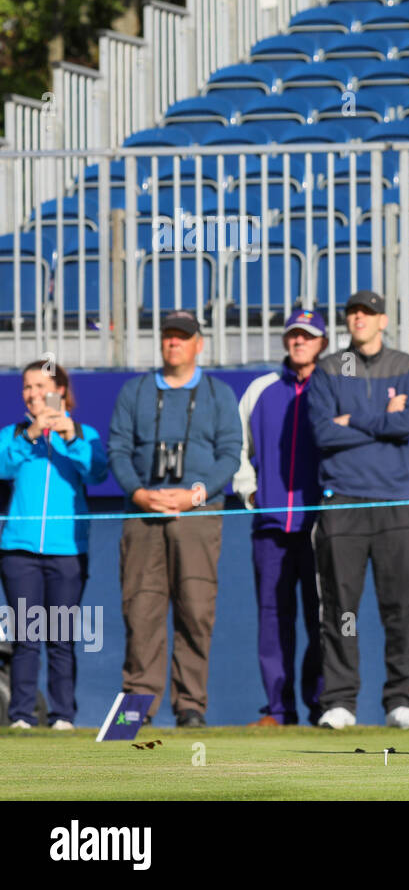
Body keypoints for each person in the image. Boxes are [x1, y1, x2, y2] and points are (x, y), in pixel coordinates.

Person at [108, 309, 243, 727]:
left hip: (197, 516)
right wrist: (139, 492)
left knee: (195, 609)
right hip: (143, 514)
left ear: (198, 344)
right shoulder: (136, 390)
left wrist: (195, 496)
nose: (173, 343)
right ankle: (135, 707)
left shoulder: (220, 394)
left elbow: (230, 454)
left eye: (182, 337)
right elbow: (118, 449)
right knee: (141, 609)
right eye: (168, 336)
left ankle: (190, 706)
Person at [308, 290, 409, 730]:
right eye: (353, 312)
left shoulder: (406, 366)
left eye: (368, 312)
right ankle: (339, 701)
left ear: (384, 320)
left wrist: (352, 419)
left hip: (396, 502)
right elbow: (323, 433)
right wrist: (381, 420)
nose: (359, 318)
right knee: (342, 608)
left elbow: (406, 426)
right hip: (342, 501)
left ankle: (401, 700)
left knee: (401, 608)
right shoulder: (328, 369)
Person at [232, 309, 328, 727]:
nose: (299, 342)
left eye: (307, 335)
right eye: (293, 335)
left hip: (321, 526)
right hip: (271, 527)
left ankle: (325, 704)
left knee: (323, 618)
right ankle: (279, 709)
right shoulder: (261, 389)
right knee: (273, 620)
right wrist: (248, 490)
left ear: (322, 342)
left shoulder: (333, 388)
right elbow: (237, 447)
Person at [0, 361, 108, 728]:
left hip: (67, 552)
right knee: (26, 636)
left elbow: (97, 470)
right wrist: (31, 434)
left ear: (59, 391)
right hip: (19, 551)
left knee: (60, 636)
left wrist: (71, 437)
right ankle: (21, 716)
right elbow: (2, 466)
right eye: (26, 387)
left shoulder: (83, 433)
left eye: (40, 386)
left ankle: (63, 716)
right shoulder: (14, 434)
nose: (32, 394)